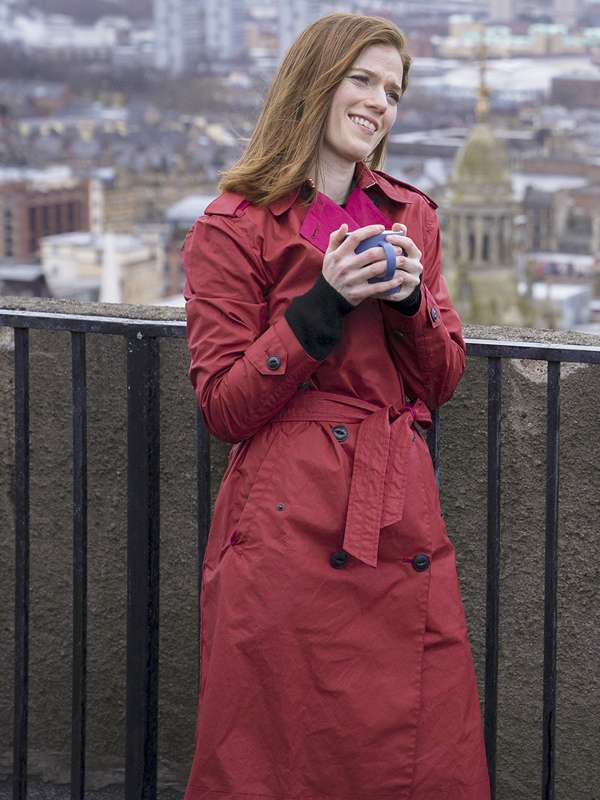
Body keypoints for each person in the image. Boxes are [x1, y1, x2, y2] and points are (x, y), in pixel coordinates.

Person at [182, 12, 491, 800]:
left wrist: (411, 301)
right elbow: (222, 407)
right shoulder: (232, 227)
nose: (380, 102)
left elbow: (442, 379)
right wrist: (324, 303)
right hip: (289, 523)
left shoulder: (410, 216)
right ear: (315, 82)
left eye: (393, 91)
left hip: (397, 515)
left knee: (416, 754)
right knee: (275, 754)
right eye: (363, 79)